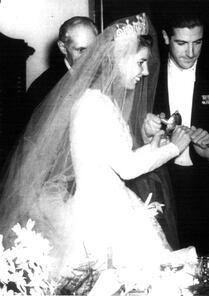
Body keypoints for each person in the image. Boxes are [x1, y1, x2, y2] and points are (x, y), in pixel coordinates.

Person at [0, 14, 197, 295]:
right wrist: (172, 148)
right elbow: (127, 168)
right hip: (103, 216)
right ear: (118, 60)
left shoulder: (99, 100)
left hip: (109, 205)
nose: (145, 72)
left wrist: (154, 144)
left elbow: (112, 158)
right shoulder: (95, 104)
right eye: (140, 62)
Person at [133, 10, 209, 254]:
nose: (190, 53)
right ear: (166, 37)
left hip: (207, 189)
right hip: (161, 184)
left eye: (197, 42)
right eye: (181, 43)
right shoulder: (145, 75)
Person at [25, 17, 98, 119]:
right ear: (63, 48)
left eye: (94, 49)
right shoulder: (43, 87)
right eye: (82, 50)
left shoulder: (104, 76)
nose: (90, 57)